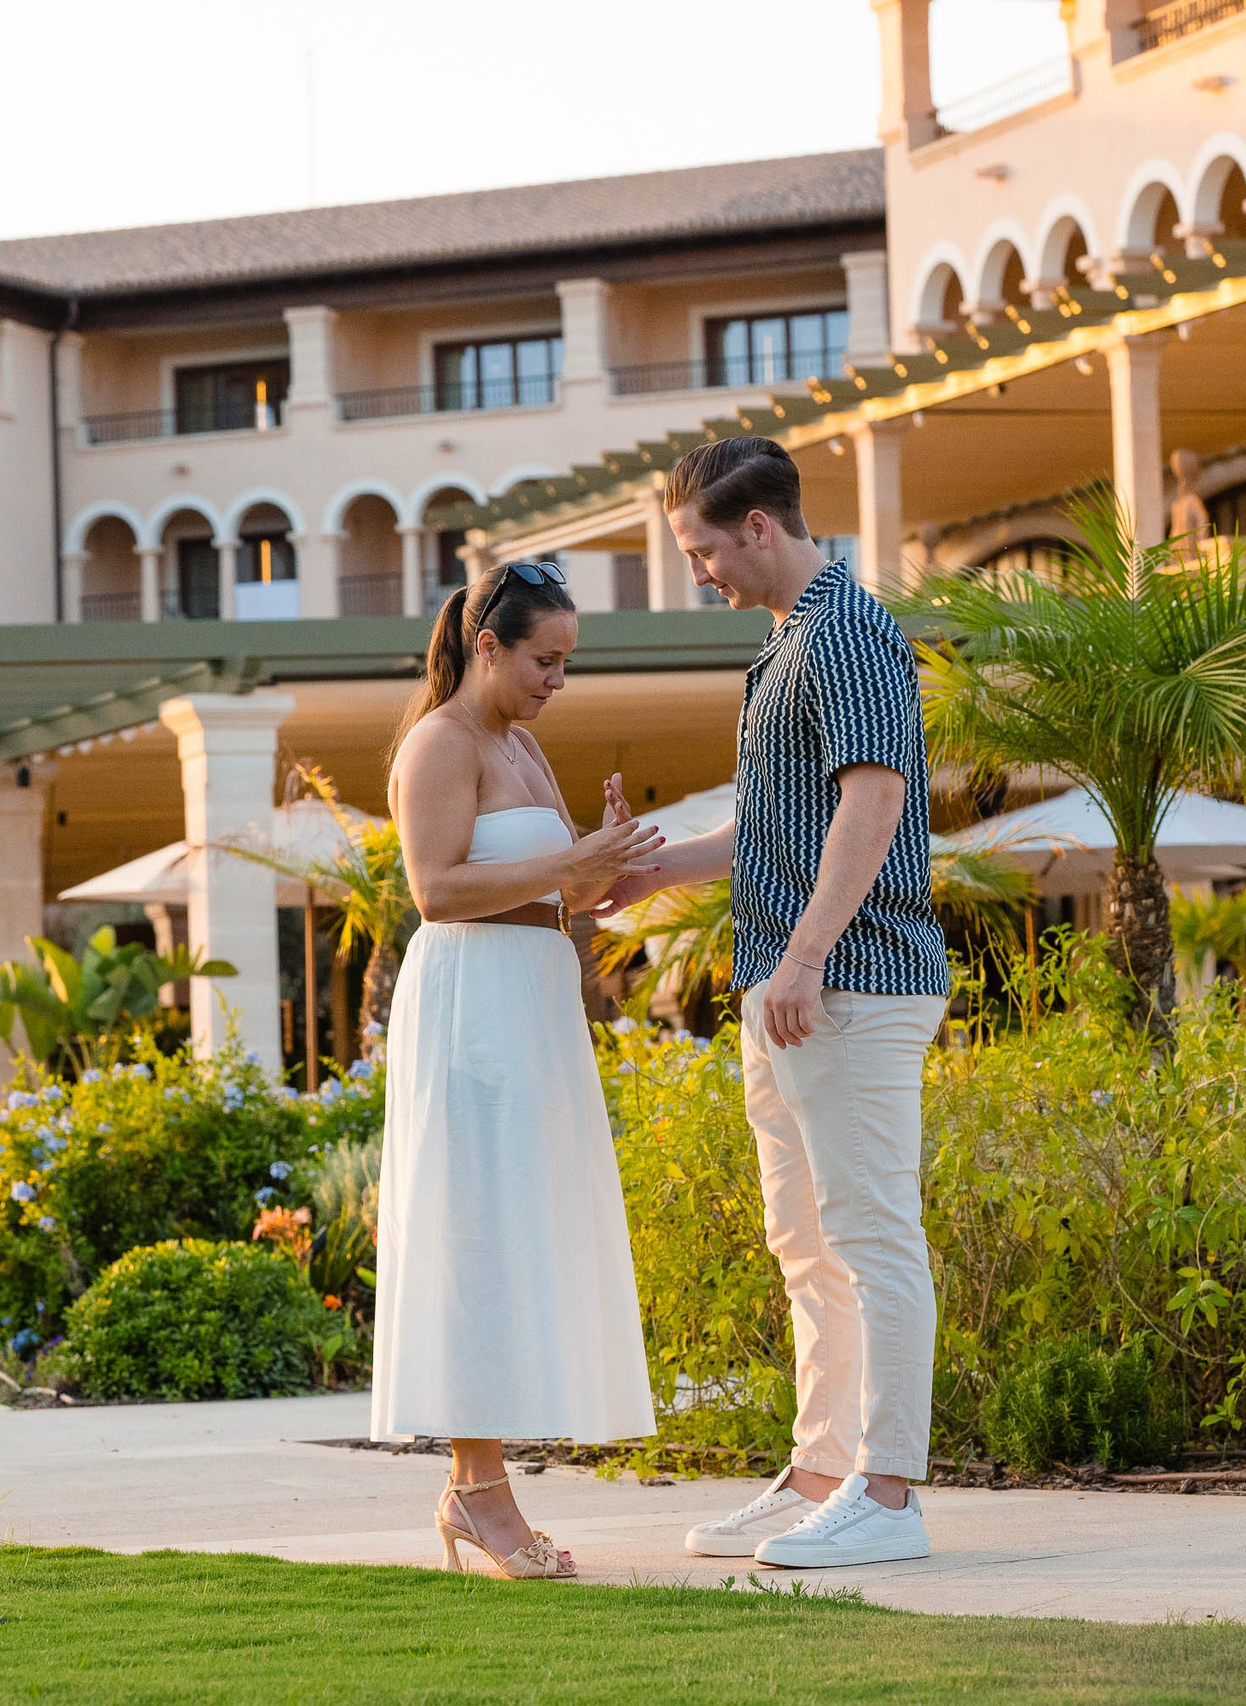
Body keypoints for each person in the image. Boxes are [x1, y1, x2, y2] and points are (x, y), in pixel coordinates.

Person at [597, 437, 952, 1569]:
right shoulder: (788, 640)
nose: (697, 570)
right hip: (791, 984)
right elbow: (780, 826)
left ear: (758, 527)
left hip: (844, 983)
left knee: (870, 1236)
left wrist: (803, 958)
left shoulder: (844, 627)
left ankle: (887, 1499)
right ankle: (817, 1475)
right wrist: (665, 870)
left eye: (702, 549)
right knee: (805, 1243)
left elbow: (875, 795)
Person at [371, 560, 666, 1580]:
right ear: (486, 645)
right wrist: (570, 860)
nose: (557, 681)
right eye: (546, 659)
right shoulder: (440, 743)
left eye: (567, 664)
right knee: (474, 1233)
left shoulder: (524, 745)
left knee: (518, 1227)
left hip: (532, 998)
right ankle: (477, 1493)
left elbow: (547, 889)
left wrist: (600, 878)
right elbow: (438, 889)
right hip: (472, 1004)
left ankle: (475, 1489)